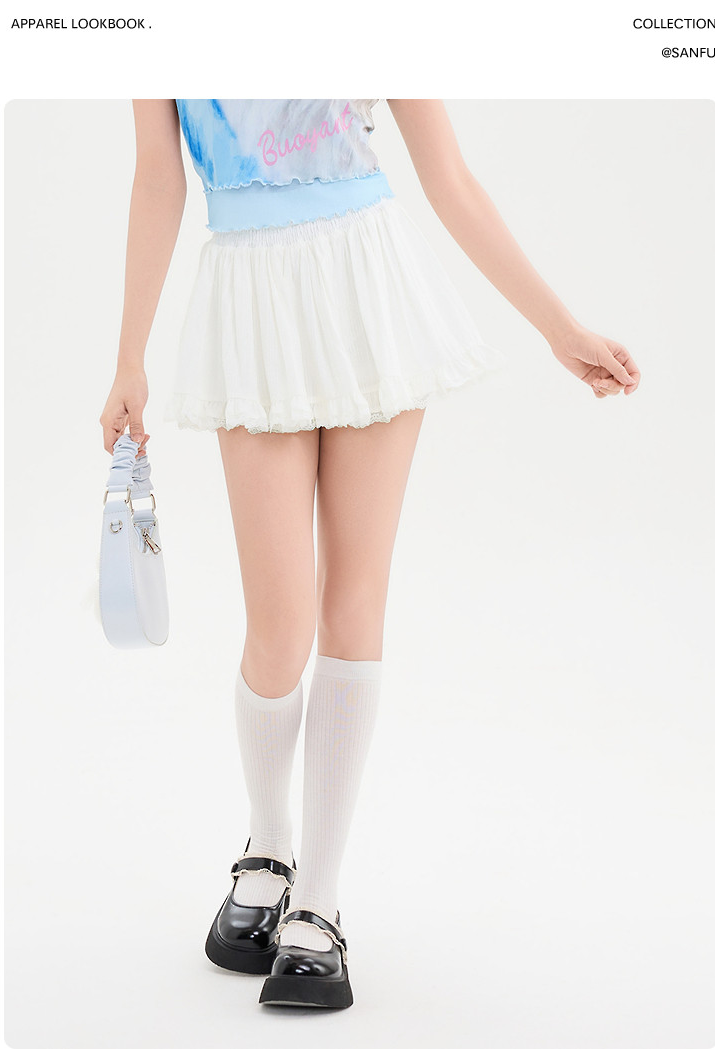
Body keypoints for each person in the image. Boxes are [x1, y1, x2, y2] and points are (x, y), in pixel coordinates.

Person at [99, 99, 641, 1010]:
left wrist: (559, 327)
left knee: (354, 604)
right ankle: (269, 844)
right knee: (279, 625)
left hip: (368, 287)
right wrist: (128, 358)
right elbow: (159, 176)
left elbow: (449, 176)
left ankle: (319, 898)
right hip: (250, 296)